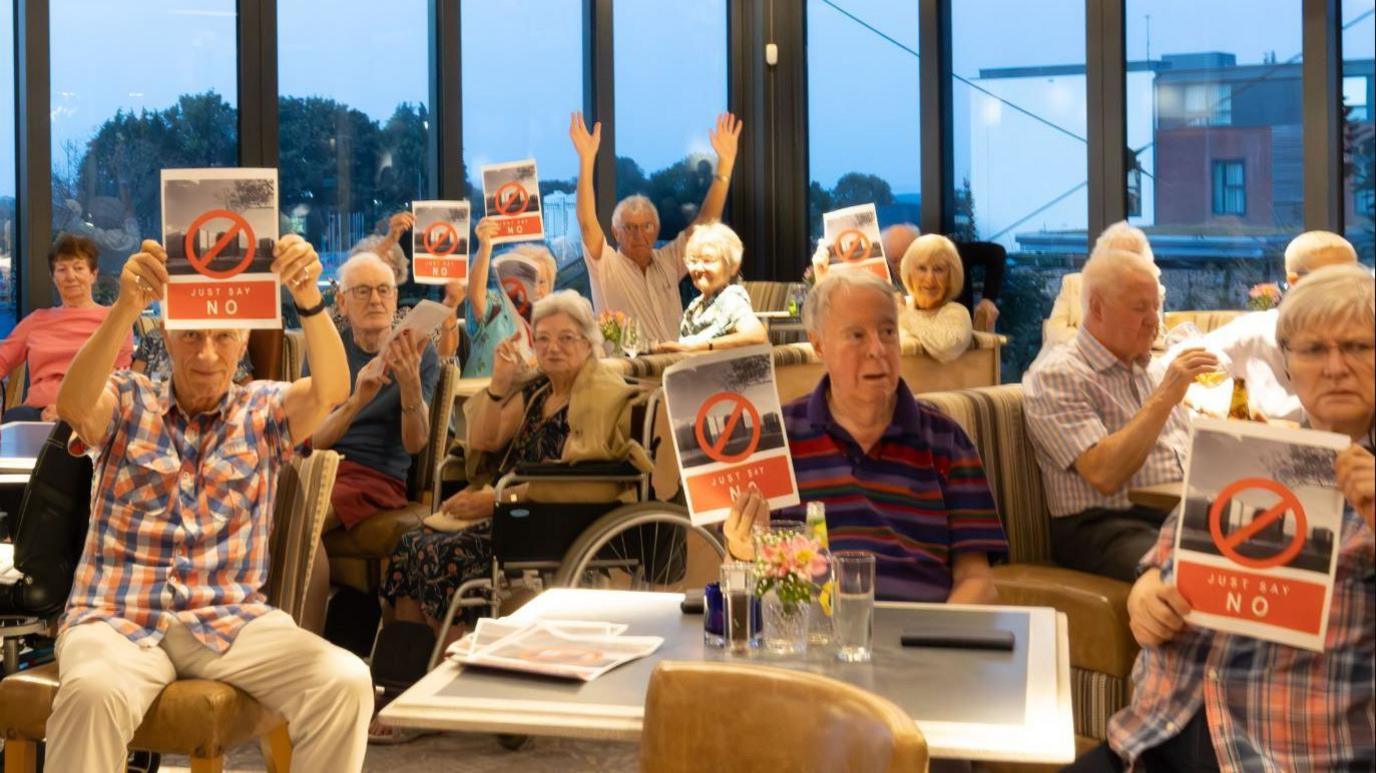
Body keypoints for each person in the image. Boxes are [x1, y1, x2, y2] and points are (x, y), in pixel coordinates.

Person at [47, 235, 369, 771]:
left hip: (230, 621)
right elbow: (74, 403)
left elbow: (333, 390)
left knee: (346, 681)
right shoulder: (130, 399)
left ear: (243, 339)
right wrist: (128, 303)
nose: (206, 353)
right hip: (114, 618)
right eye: (191, 334)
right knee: (92, 692)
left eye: (223, 336)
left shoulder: (263, 409)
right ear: (167, 335)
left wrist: (308, 296)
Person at [1070, 264, 1375, 772]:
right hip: (1155, 732)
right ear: (1289, 369)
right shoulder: (1250, 452)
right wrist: (1146, 597)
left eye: (1358, 346)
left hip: (1289, 752)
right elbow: (1163, 568)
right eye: (1314, 350)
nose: (1335, 366)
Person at [373, 291, 650, 739]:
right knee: (411, 545)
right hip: (508, 512)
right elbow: (482, 440)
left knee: (446, 555)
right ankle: (403, 686)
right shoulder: (538, 389)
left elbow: (591, 481)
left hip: (549, 519)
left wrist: (498, 500)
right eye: (542, 338)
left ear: (589, 341)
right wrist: (500, 383)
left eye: (566, 338)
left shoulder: (603, 393)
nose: (552, 348)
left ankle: (442, 695)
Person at [723, 271, 1008, 603]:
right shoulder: (777, 439)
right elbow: (740, 571)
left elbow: (977, 578)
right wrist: (741, 548)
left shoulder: (946, 440)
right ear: (818, 345)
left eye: (888, 331)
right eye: (856, 335)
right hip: (810, 637)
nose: (878, 349)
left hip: (918, 635)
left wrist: (936, 645)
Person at [1023, 242, 1219, 582]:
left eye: (1156, 308)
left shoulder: (1150, 369)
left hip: (1177, 514)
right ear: (1097, 308)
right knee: (1202, 575)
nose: (1153, 321)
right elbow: (1104, 473)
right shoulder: (1059, 375)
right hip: (1104, 526)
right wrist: (1165, 397)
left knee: (1280, 552)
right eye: (1140, 308)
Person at [570, 111, 742, 344]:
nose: (638, 234)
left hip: (674, 369)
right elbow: (587, 222)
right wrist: (586, 159)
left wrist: (725, 164)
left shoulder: (668, 261)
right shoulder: (606, 266)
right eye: (629, 227)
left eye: (646, 226)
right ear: (615, 232)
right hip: (629, 375)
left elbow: (705, 223)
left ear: (657, 229)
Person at [1153, 230, 1360, 423]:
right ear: (1295, 282)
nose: (1347, 290)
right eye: (1332, 280)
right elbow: (1163, 371)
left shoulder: (1365, 336)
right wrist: (1216, 403)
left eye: (1353, 278)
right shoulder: (1257, 331)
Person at [311, 253, 440, 531]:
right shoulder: (326, 348)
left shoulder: (418, 351)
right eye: (362, 291)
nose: (375, 300)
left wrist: (410, 385)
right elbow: (310, 443)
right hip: (320, 466)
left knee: (304, 515)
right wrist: (357, 401)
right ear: (342, 303)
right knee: (267, 505)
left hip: (376, 476)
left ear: (395, 299)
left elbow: (415, 444)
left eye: (384, 290)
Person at [0, 234, 133, 420]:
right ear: (53, 277)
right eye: (62, 269)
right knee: (14, 418)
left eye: (79, 268)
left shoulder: (114, 321)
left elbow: (121, 379)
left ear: (93, 274)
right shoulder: (36, 321)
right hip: (38, 413)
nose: (70, 276)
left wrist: (66, 411)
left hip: (93, 414)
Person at [1043, 222, 1163, 352]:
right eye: (1117, 255)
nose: (1125, 262)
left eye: (1132, 256)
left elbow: (1156, 336)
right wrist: (1100, 344)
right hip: (1070, 358)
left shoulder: (1149, 290)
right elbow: (1055, 331)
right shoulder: (1073, 283)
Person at [655, 222, 766, 353]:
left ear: (733, 266)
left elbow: (757, 336)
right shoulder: (695, 306)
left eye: (708, 260)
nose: (698, 268)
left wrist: (696, 347)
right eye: (693, 261)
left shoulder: (730, 298)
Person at [459, 218, 543, 377]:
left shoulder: (552, 318)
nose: (536, 288)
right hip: (480, 394)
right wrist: (485, 247)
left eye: (542, 281)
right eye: (528, 280)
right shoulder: (498, 303)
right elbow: (476, 296)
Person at [896, 234, 973, 363]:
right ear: (909, 273)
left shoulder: (958, 313)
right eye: (922, 268)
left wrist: (902, 314)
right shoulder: (901, 305)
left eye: (938, 269)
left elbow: (945, 347)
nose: (929, 278)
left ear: (951, 276)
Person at [132, 318, 254, 384]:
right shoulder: (152, 338)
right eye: (191, 335)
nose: (207, 355)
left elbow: (246, 383)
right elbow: (135, 378)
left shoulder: (229, 339)